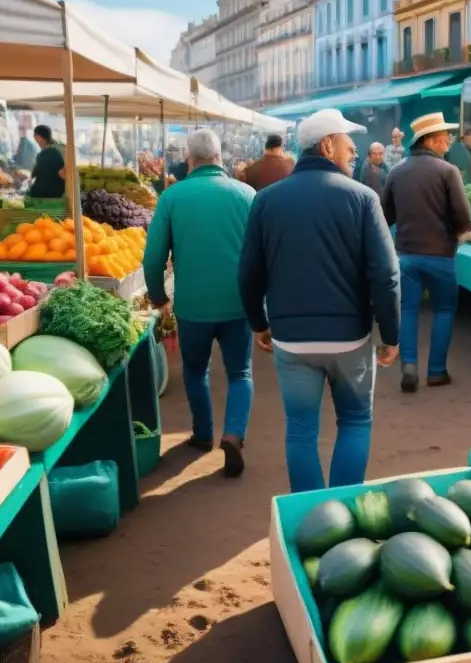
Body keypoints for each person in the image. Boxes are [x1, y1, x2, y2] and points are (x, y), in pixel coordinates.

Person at [238, 109, 400, 493]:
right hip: (350, 338)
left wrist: (258, 324)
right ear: (327, 145)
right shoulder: (362, 198)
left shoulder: (266, 201)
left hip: (291, 339)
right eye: (348, 144)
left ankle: (311, 516)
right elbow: (385, 274)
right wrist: (390, 334)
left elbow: (247, 273)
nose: (354, 152)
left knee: (300, 431)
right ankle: (342, 514)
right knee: (356, 420)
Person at [143, 129, 254, 475]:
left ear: (190, 159)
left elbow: (152, 259)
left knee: (195, 370)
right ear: (220, 157)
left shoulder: (172, 198)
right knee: (240, 372)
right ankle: (234, 434)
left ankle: (204, 434)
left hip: (192, 306)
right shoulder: (247, 194)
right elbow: (263, 254)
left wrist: (159, 298)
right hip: (239, 303)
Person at [382, 113, 471, 393]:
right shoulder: (447, 171)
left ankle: (408, 368)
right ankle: (436, 371)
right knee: (444, 310)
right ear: (431, 140)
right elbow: (462, 217)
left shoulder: (396, 172)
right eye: (445, 138)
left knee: (407, 310)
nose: (448, 143)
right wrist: (460, 231)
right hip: (440, 254)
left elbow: (386, 216)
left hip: (406, 255)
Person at [28, 125, 66, 198]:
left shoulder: (49, 153)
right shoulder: (58, 150)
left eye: (35, 135)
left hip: (48, 197)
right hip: (56, 195)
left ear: (38, 137)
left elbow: (35, 173)